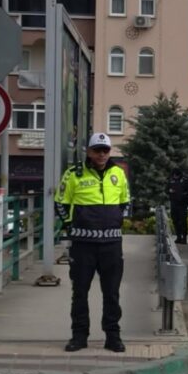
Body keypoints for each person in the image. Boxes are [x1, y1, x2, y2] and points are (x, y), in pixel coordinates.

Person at [56, 133, 130, 353]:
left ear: (110, 152)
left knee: (112, 293)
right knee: (80, 292)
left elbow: (125, 202)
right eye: (97, 150)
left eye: (105, 150)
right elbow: (60, 203)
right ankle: (79, 336)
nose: (101, 154)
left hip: (111, 244)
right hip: (83, 244)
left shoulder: (118, 173)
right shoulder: (73, 174)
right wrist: (72, 226)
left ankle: (113, 337)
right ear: (88, 151)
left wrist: (115, 221)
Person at [165, 167, 188, 244]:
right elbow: (166, 190)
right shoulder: (171, 180)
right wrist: (170, 191)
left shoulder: (186, 180)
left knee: (183, 221)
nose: (175, 177)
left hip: (183, 204)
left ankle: (184, 237)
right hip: (174, 203)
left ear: (179, 175)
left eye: (176, 176)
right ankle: (178, 236)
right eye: (174, 176)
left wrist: (183, 195)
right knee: (175, 220)